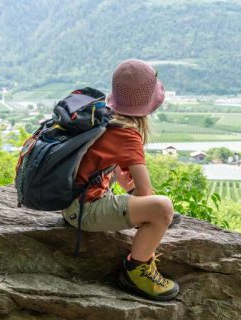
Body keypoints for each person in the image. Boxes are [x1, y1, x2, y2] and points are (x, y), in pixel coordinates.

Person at [60, 59, 179, 301]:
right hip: (84, 211)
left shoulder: (103, 117)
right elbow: (145, 192)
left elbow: (114, 173)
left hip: (73, 204)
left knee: (156, 209)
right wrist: (151, 211)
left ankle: (144, 228)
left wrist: (134, 195)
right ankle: (137, 270)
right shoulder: (126, 134)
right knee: (163, 207)